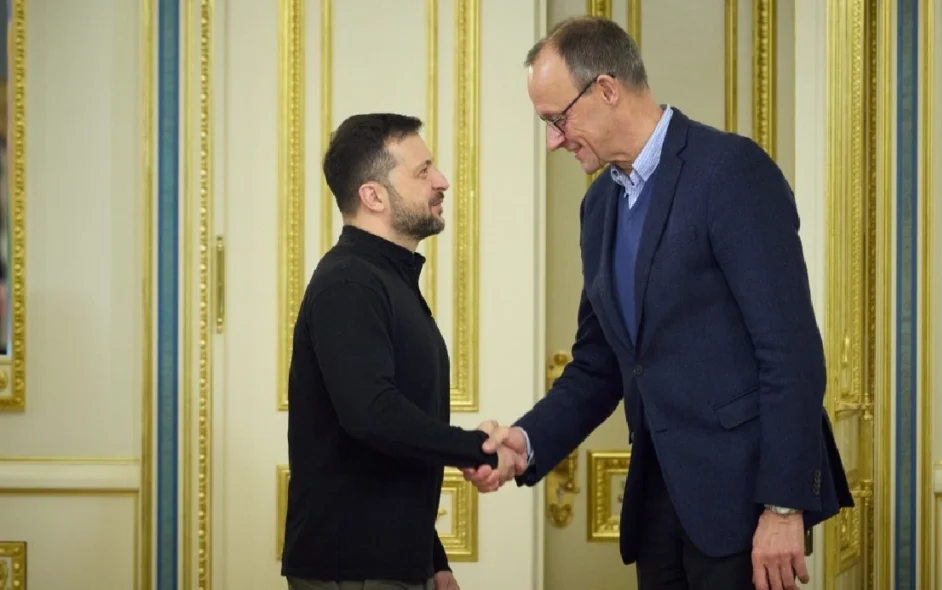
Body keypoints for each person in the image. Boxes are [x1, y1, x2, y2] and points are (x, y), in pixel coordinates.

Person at [463, 17, 854, 590]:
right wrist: (525, 442)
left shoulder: (731, 171)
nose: (553, 140)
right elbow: (599, 366)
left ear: (606, 89)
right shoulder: (598, 208)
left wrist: (783, 505)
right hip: (657, 511)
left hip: (746, 508)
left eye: (556, 119)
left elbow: (790, 352)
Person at [281, 113, 521, 590]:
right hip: (352, 570)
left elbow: (391, 447)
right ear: (373, 196)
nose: (442, 181)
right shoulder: (349, 283)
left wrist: (432, 560)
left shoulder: (386, 280)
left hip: (393, 564)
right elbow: (372, 414)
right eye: (423, 171)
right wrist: (477, 449)